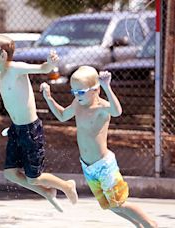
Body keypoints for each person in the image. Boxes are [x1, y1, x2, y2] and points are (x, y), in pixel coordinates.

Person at [40, 66, 157, 227]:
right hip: (88, 167)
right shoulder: (78, 104)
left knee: (119, 203)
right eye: (73, 91)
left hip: (104, 165)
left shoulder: (102, 108)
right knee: (110, 206)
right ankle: (139, 225)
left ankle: (151, 224)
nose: (76, 95)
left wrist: (107, 86)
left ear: (95, 90)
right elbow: (61, 116)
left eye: (80, 92)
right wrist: (49, 98)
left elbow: (117, 111)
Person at [0, 35, 78, 212]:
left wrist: (50, 63)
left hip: (30, 130)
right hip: (16, 129)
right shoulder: (2, 74)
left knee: (34, 178)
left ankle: (67, 185)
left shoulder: (16, 68)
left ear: (2, 55)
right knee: (10, 173)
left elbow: (42, 68)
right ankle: (46, 193)